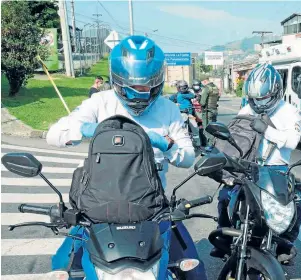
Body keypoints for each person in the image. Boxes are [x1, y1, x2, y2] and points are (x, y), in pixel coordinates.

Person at [46, 35, 206, 279]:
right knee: (60, 266)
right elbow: (54, 135)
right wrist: (88, 129)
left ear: (158, 82)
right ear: (116, 80)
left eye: (146, 88)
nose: (139, 96)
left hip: (151, 211)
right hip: (96, 213)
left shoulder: (168, 109)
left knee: (195, 270)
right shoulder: (100, 102)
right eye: (130, 88)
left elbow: (187, 158)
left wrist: (166, 144)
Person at [210, 63, 301, 264]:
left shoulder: (288, 111)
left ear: (276, 92)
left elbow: (293, 141)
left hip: (275, 169)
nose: (260, 102)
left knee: (298, 202)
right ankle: (224, 239)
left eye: (264, 97)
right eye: (256, 98)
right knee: (225, 196)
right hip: (248, 167)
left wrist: (267, 130)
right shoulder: (246, 108)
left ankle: (284, 244)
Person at [175, 80, 201, 147]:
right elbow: (192, 96)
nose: (183, 88)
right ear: (178, 88)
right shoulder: (180, 95)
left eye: (184, 87)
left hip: (190, 114)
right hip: (183, 114)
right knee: (182, 128)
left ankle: (197, 143)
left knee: (195, 126)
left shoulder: (186, 93)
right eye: (181, 87)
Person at [200, 78, 220, 145]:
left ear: (205, 81)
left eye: (202, 82)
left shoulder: (206, 88)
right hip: (214, 110)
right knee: (213, 128)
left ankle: (210, 145)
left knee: (207, 129)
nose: (202, 84)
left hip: (207, 111)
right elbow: (217, 98)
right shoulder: (215, 87)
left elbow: (202, 102)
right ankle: (215, 143)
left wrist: (199, 99)